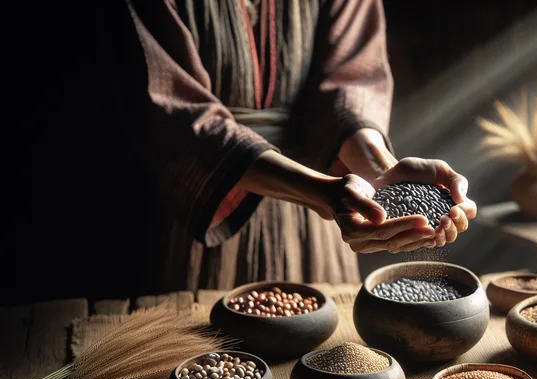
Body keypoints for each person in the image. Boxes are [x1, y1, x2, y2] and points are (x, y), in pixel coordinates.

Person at [2, 0, 476, 304]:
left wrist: (384, 173)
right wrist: (325, 192)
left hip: (322, 225)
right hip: (204, 210)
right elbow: (178, 117)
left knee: (322, 359)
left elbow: (348, 85)